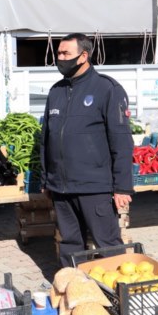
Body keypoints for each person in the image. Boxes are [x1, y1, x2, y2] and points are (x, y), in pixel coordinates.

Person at [40, 33, 134, 268]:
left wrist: (122, 186)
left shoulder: (107, 89)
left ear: (83, 56)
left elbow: (121, 140)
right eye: (58, 53)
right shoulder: (56, 91)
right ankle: (74, 288)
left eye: (65, 54)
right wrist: (46, 179)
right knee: (70, 243)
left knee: (107, 244)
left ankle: (117, 292)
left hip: (94, 187)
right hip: (61, 187)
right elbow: (46, 139)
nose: (59, 58)